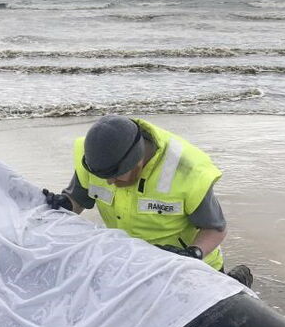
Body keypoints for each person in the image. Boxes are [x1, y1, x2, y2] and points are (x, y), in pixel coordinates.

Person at [43, 115, 252, 287]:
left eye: (117, 175)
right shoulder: (98, 158)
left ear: (139, 160)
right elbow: (77, 199)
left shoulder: (188, 172)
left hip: (192, 266)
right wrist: (63, 204)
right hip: (134, 265)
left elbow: (215, 229)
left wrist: (192, 255)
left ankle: (237, 279)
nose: (109, 181)